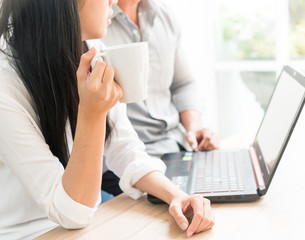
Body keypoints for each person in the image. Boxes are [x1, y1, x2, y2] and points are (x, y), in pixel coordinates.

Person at [0, 0, 214, 239]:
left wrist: (177, 196)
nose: (114, 0)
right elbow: (71, 212)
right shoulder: (5, 88)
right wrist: (93, 113)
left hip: (82, 227)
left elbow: (126, 150)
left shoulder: (91, 50)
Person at [100, 0, 220, 196]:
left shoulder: (163, 14)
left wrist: (195, 128)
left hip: (175, 147)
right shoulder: (94, 24)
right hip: (123, 163)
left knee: (220, 189)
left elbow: (183, 84)